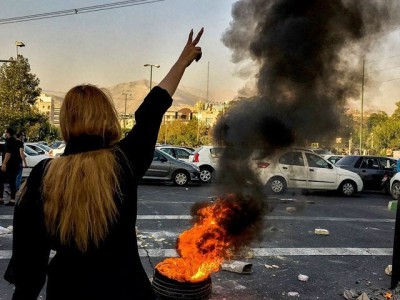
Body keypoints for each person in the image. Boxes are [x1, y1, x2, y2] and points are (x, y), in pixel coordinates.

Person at [4, 28, 204, 300]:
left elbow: (29, 269)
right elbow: (152, 110)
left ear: (65, 122)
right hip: (127, 291)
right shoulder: (124, 161)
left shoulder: (43, 176)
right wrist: (182, 62)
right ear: (107, 116)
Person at [0, 128, 21, 206]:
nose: (4, 133)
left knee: (2, 180)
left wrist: (4, 164)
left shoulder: (9, 141)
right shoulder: (15, 141)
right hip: (14, 165)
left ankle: (2, 199)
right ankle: (11, 200)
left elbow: (8, 153)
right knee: (12, 182)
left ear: (8, 133)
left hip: (9, 165)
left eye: (5, 132)